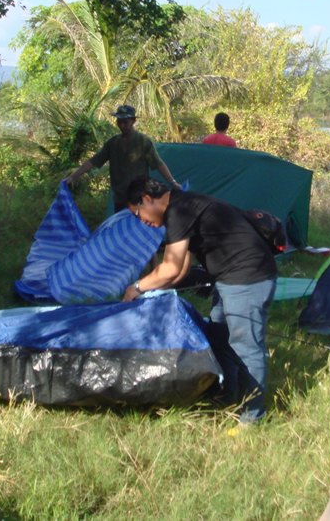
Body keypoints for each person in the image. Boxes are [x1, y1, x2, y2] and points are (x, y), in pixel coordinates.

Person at [122, 178, 277, 423]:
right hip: (228, 279)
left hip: (248, 277)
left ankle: (252, 418)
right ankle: (228, 397)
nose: (141, 220)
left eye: (137, 212)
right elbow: (182, 270)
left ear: (147, 198)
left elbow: (170, 268)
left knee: (246, 346)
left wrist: (136, 287)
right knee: (219, 337)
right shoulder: (183, 207)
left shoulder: (180, 210)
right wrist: (155, 295)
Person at [65, 104, 181, 213]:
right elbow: (93, 161)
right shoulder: (113, 143)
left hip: (139, 198)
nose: (122, 125)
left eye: (125, 122)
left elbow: (158, 163)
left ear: (133, 121)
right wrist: (73, 177)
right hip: (120, 199)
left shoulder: (143, 141)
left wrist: (172, 182)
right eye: (119, 121)